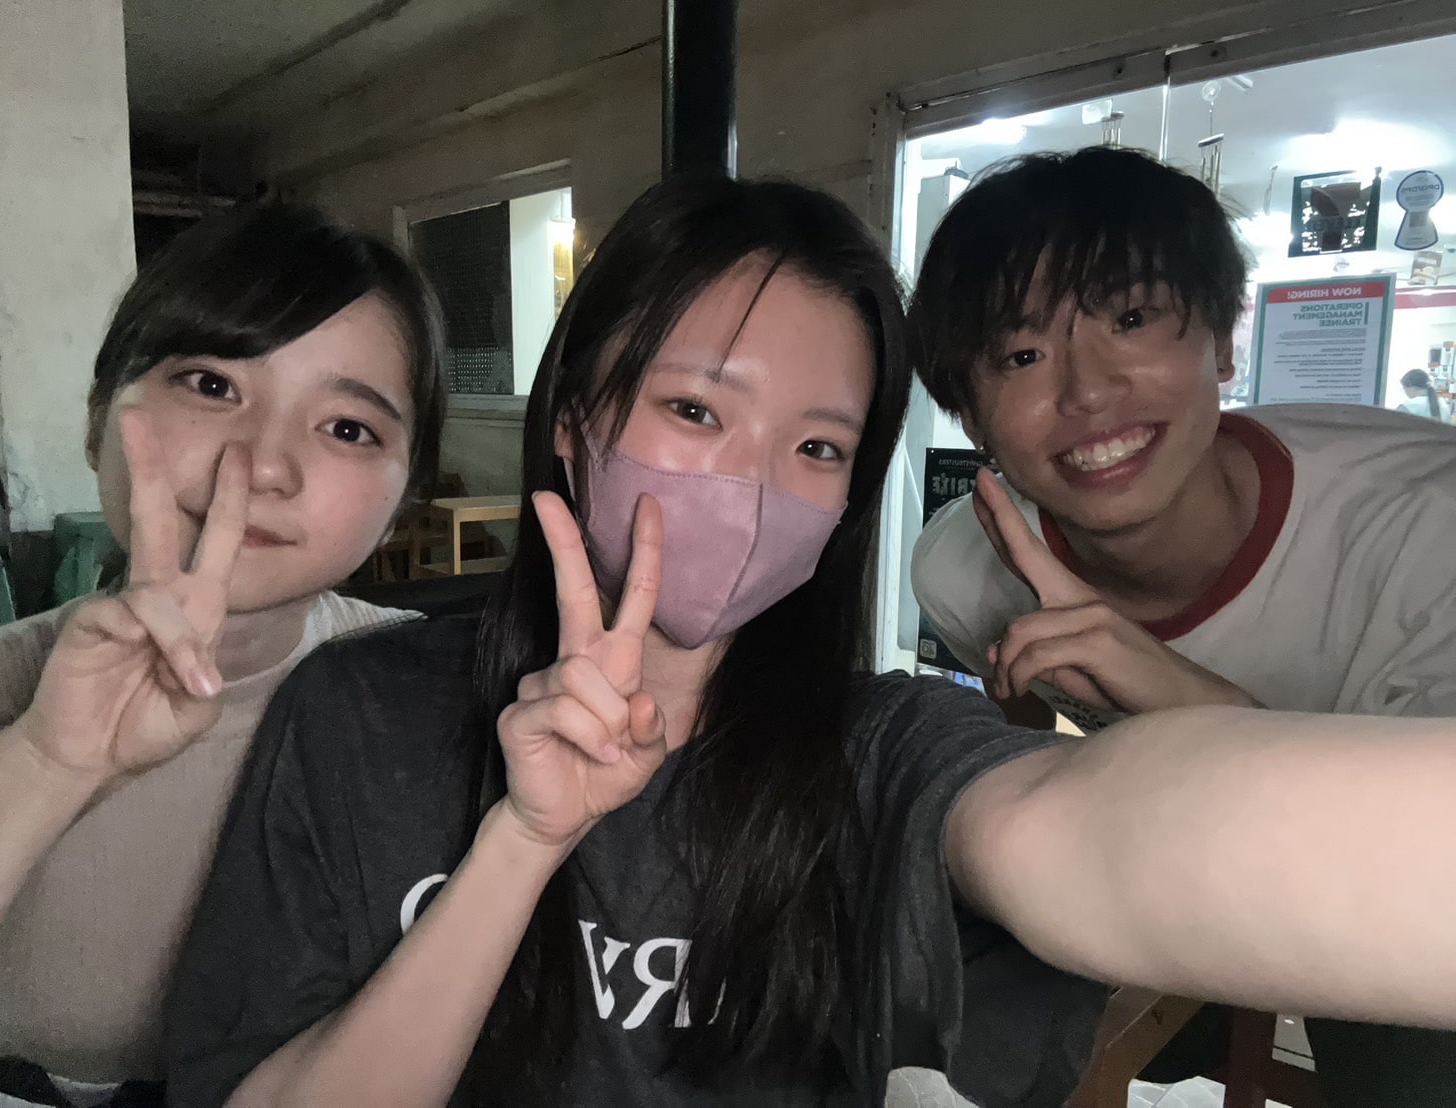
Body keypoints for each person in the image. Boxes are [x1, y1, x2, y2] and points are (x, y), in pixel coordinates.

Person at [167, 174, 1456, 1108]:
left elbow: (1080, 835)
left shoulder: (876, 746)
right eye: (693, 410)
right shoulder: (360, 713)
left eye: (819, 447)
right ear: (572, 417)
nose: (752, 483)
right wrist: (524, 839)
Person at [909, 146, 1456, 1104]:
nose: (1087, 392)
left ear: (1222, 341)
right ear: (968, 413)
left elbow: (1418, 878)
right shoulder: (961, 572)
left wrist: (1183, 700)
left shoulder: (1429, 529)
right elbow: (1021, 768)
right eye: (1021, 356)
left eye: (1129, 320)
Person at [0, 204, 447, 1108]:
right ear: (98, 419)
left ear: (404, 499)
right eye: (210, 384)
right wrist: (44, 765)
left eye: (348, 428)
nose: (262, 466)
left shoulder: (433, 700)